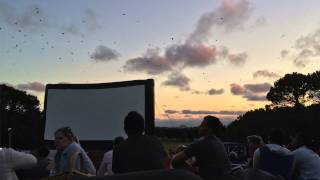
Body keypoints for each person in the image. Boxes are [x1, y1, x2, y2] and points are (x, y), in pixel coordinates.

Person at [171, 115, 231, 180]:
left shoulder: (200, 143)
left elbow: (174, 162)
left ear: (210, 130)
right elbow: (208, 162)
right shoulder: (219, 142)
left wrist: (194, 173)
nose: (199, 127)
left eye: (202, 125)